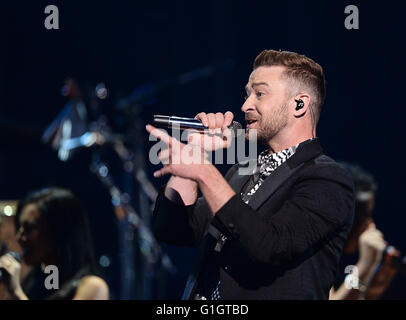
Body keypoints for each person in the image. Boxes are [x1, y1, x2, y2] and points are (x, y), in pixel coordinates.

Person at [146, 49, 355, 299]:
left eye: (260, 94)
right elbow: (173, 230)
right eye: (247, 94)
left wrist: (205, 173)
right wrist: (195, 152)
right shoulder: (244, 170)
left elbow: (270, 245)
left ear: (299, 104)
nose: (246, 105)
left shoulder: (327, 179)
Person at [0, 187, 109, 300]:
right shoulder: (36, 283)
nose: (19, 237)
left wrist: (16, 292)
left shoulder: (93, 287)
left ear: (58, 231)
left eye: (29, 228)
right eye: (20, 228)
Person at [330, 163, 401, 300]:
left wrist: (375, 286)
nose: (370, 225)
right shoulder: (306, 252)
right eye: (364, 216)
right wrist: (366, 264)